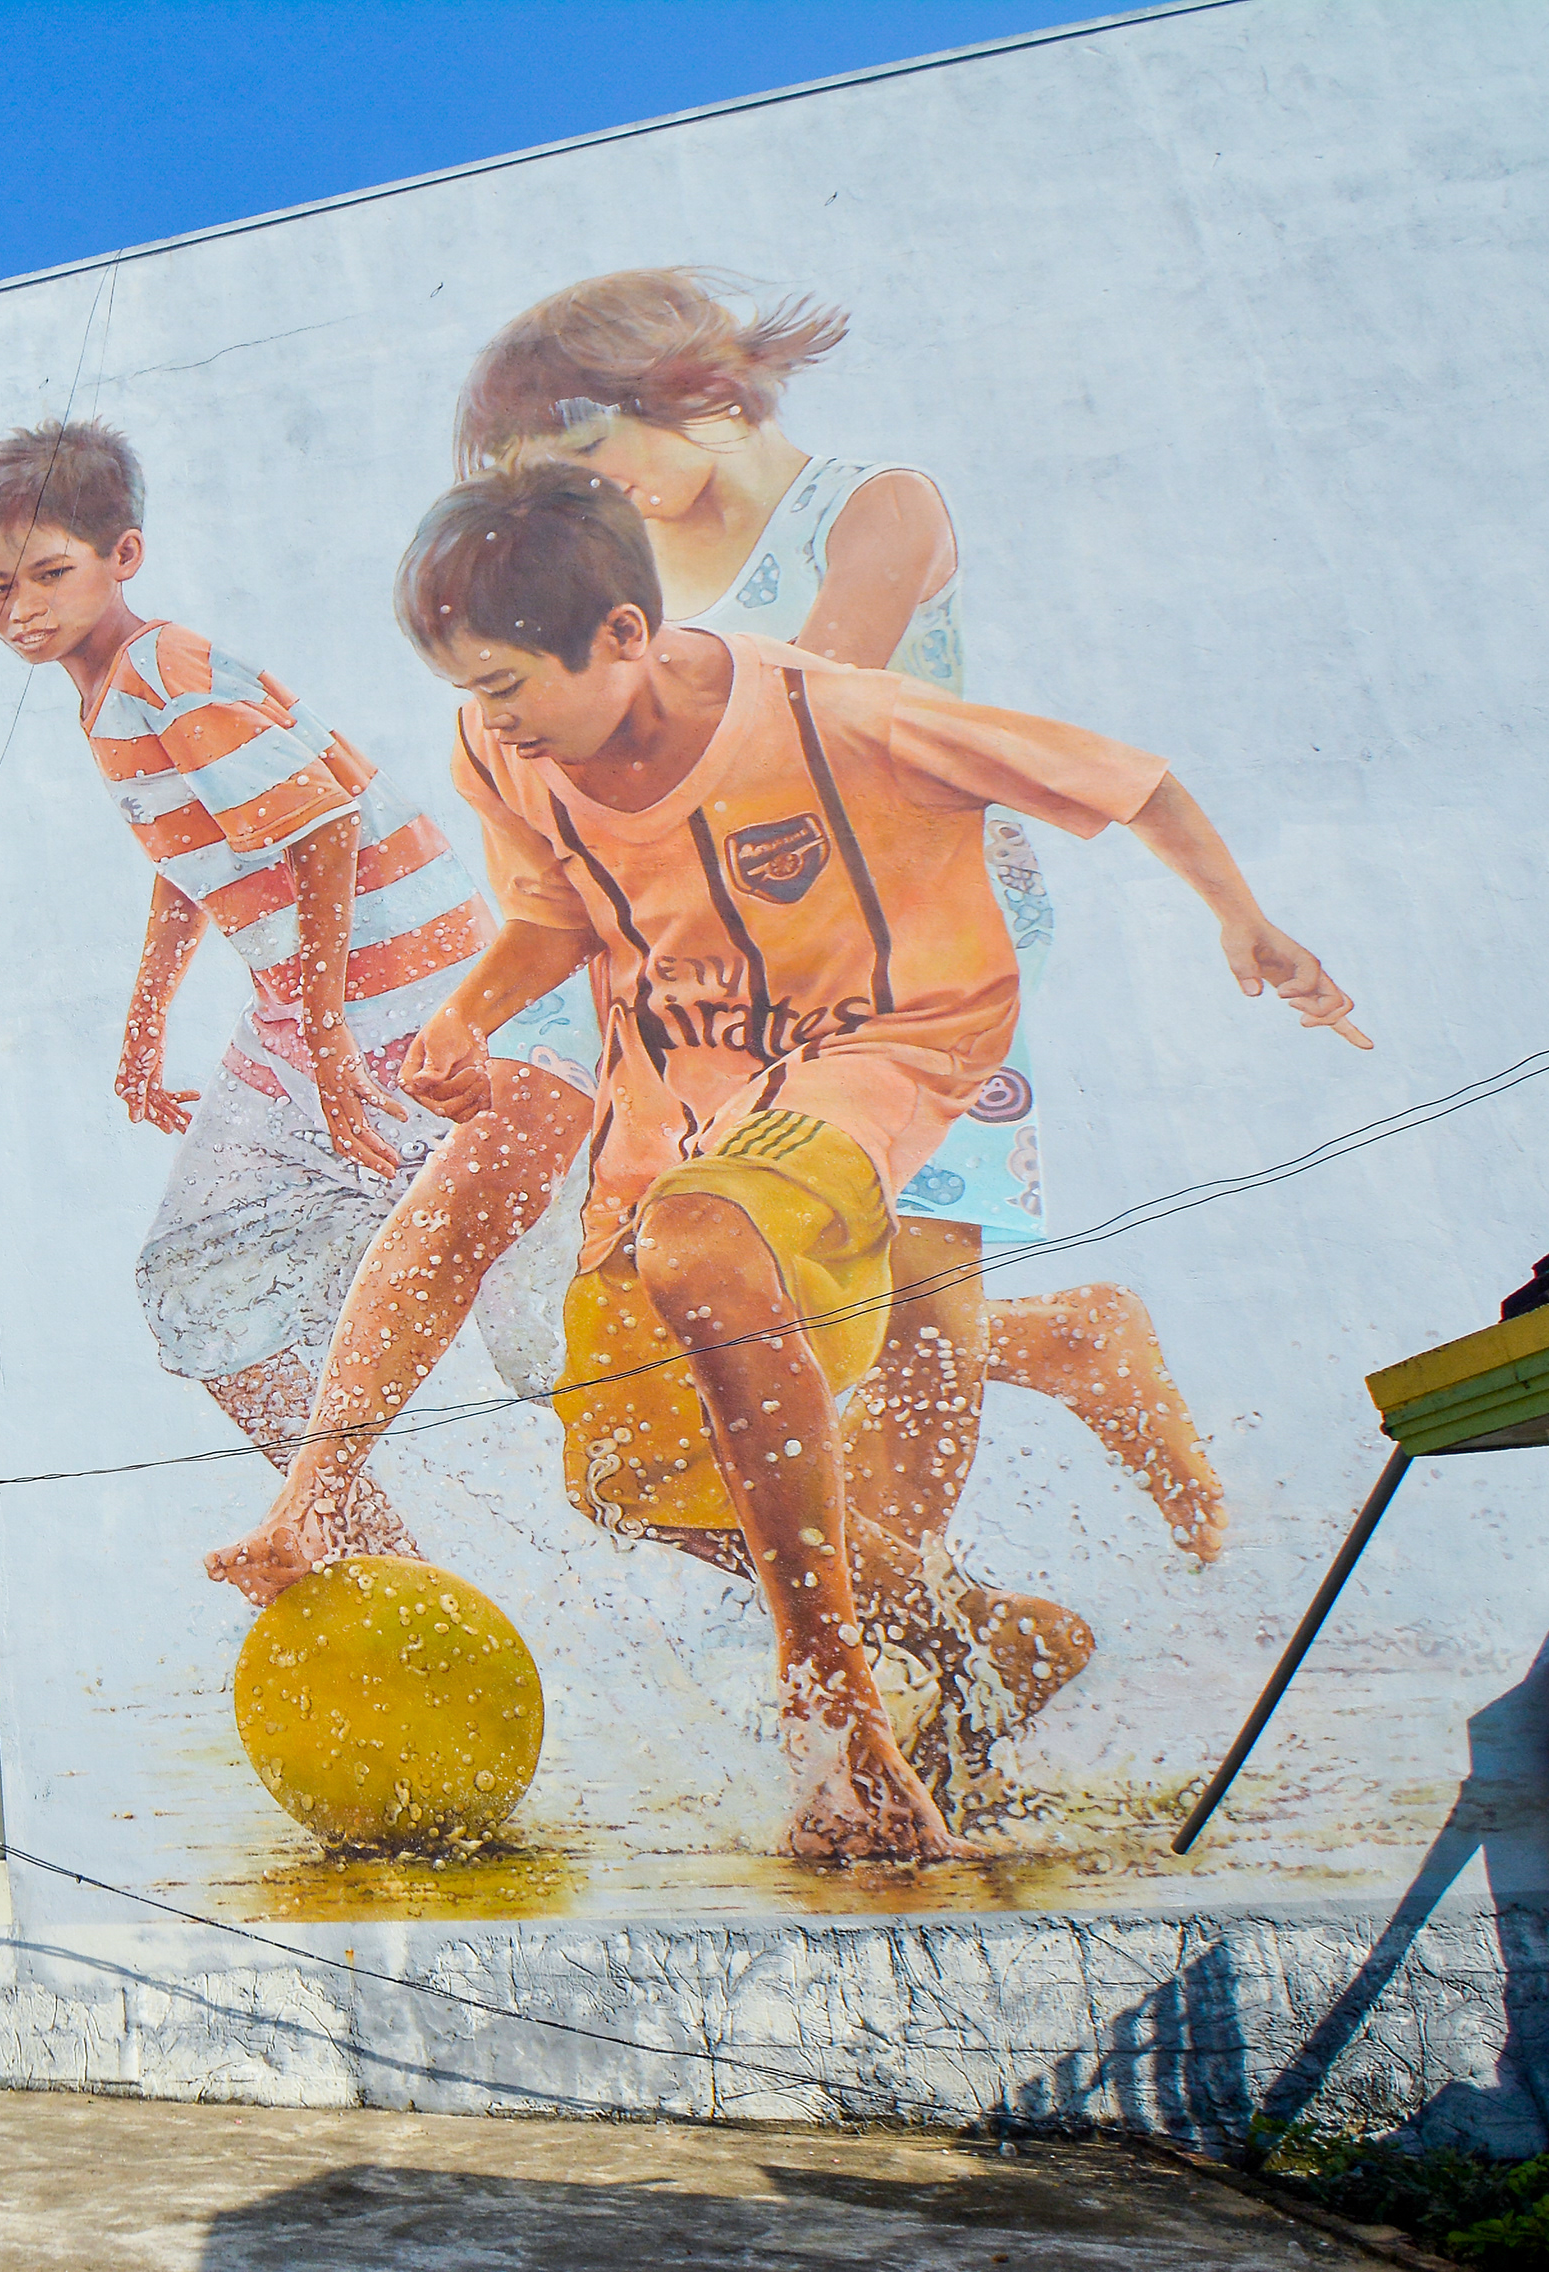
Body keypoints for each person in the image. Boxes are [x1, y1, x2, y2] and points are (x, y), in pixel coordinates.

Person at [243, 462, 1361, 1861]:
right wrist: (465, 1013)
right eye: (468, 692)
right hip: (683, 1087)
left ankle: (828, 1703)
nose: (489, 722)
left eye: (505, 684)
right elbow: (550, 920)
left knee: (705, 1247)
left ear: (622, 640)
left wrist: (1245, 923)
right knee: (628, 1473)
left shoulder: (836, 714)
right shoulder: (508, 757)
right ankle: (994, 1631)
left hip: (882, 1037)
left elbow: (1124, 781)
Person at [451, 270, 1234, 1592]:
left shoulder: (871, 508)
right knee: (756, 1319)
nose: (591, 499)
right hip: (717, 978)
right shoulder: (626, 572)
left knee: (910, 1280)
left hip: (908, 955)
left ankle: (920, 1647)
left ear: (695, 391)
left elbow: (806, 715)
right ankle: (1066, 1353)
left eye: (587, 452)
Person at [0, 419, 591, 1570]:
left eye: (50, 573)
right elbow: (191, 860)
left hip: (414, 997)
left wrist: (334, 1042)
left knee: (541, 1334)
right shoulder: (104, 695)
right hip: (303, 1014)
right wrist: (144, 1031)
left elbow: (325, 823)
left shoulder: (161, 668)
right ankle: (365, 1550)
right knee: (192, 1283)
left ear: (124, 555)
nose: (19, 609)